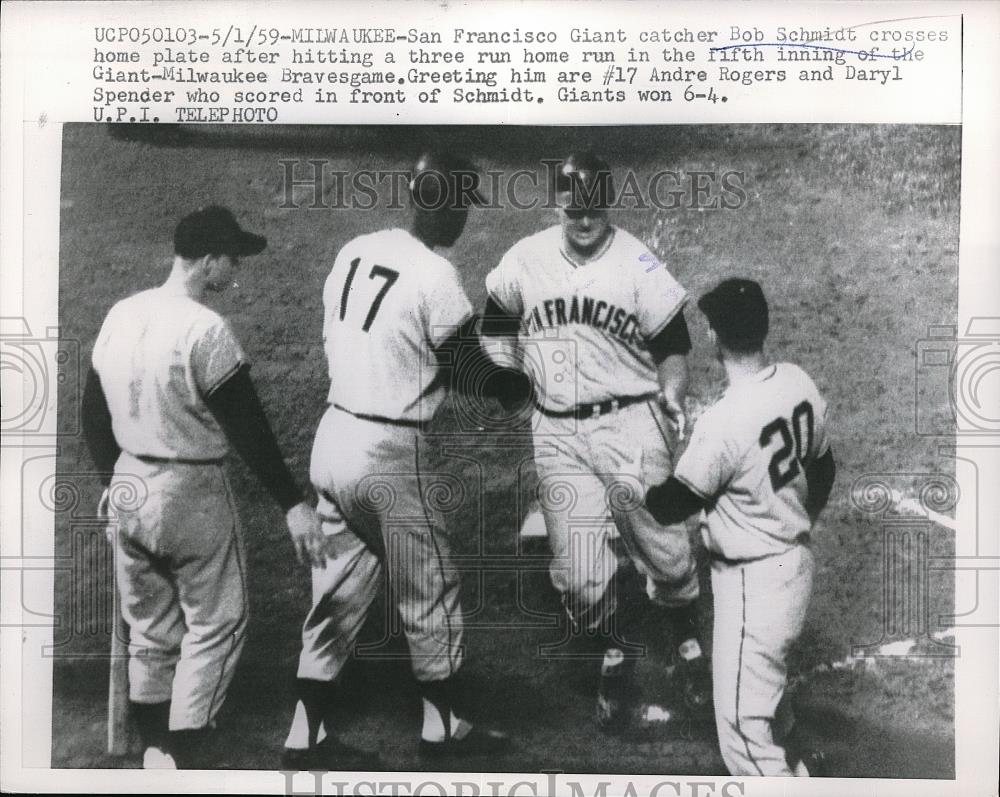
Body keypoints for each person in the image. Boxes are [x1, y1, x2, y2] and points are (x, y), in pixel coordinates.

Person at [282, 152, 512, 769]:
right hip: (389, 450)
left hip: (331, 442)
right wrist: (521, 384)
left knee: (335, 588)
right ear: (457, 207)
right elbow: (469, 372)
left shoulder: (355, 249)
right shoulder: (436, 275)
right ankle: (442, 731)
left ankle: (305, 734)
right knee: (429, 584)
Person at [82, 205, 326, 769]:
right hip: (190, 493)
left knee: (149, 627)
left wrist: (109, 479)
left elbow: (93, 412)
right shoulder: (205, 328)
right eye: (232, 257)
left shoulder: (121, 312)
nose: (236, 267)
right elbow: (247, 425)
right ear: (209, 259)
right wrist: (292, 504)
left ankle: (154, 753)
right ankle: (187, 747)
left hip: (127, 488)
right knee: (218, 620)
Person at [482, 151, 709, 730]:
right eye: (573, 207)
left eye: (593, 208)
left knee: (667, 551)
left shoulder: (636, 260)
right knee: (581, 577)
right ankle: (614, 653)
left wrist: (675, 393)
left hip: (631, 422)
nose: (583, 218)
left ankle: (684, 629)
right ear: (558, 203)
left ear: (606, 204)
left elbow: (673, 346)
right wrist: (506, 372)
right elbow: (496, 323)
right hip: (556, 430)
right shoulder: (525, 259)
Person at [645, 278, 836, 776]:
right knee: (768, 697)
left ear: (711, 335)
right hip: (795, 564)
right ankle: (801, 765)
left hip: (753, 586)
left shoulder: (723, 423)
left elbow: (670, 506)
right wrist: (794, 522)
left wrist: (637, 478)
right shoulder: (798, 382)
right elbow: (824, 467)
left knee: (742, 739)